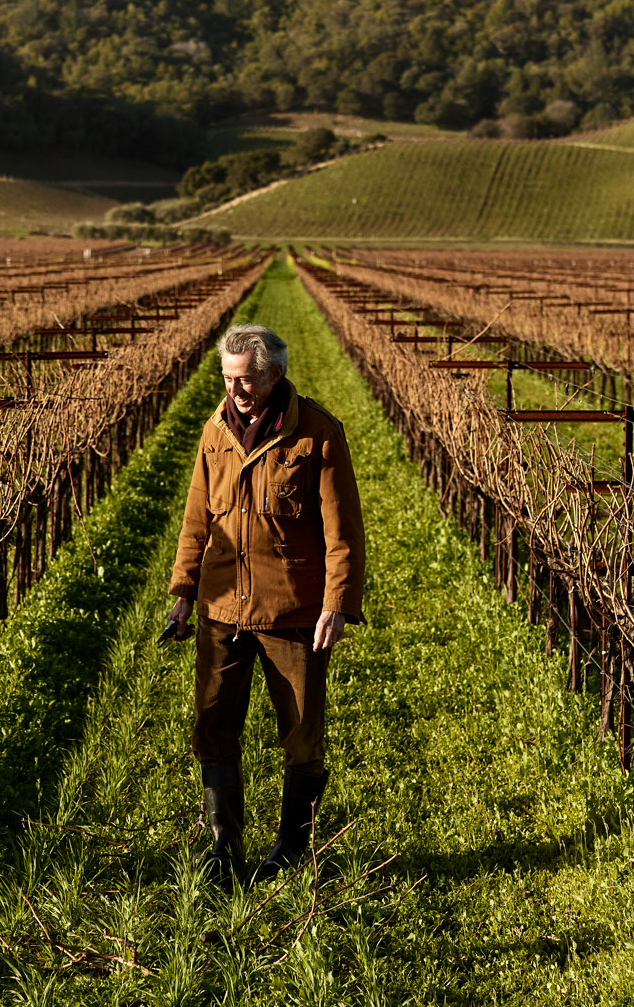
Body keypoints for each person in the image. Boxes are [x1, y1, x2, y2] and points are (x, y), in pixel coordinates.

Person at [167, 323, 366, 885]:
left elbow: (342, 531)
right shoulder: (215, 431)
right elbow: (197, 518)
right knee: (213, 724)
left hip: (292, 611)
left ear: (275, 374)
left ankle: (291, 847)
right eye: (229, 380)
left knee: (302, 732)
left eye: (246, 380)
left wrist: (338, 602)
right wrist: (183, 591)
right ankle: (224, 844)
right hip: (221, 607)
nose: (236, 391)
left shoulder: (318, 434)